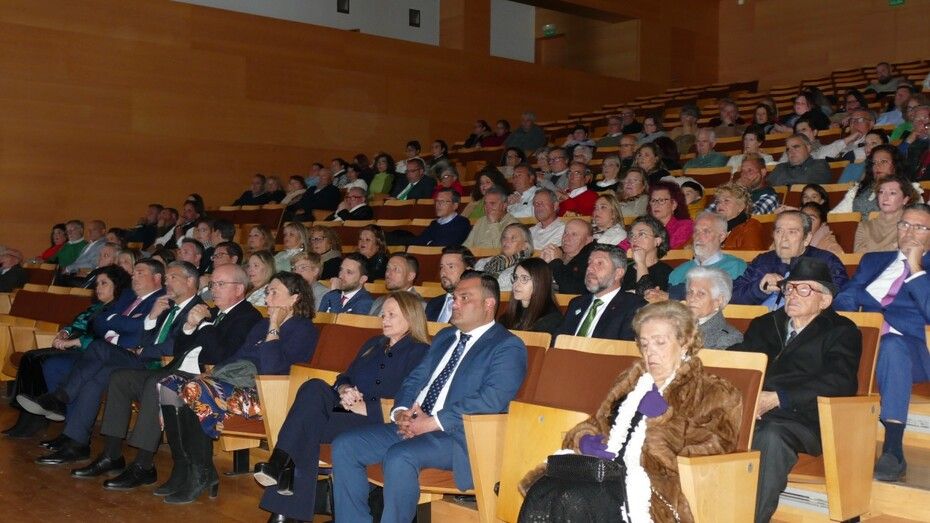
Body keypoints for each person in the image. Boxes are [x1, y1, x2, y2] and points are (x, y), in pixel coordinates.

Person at [519, 300, 742, 522]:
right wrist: (584, 439)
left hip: (656, 491)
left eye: (660, 342)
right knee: (543, 490)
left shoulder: (714, 392)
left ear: (684, 342)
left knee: (573, 498)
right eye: (644, 344)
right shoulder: (631, 381)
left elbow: (715, 449)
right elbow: (598, 422)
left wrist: (664, 420)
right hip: (606, 473)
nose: (650, 352)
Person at [331, 272, 527, 523]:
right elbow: (415, 378)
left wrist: (433, 422)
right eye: (454, 298)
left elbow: (492, 399)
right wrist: (400, 411)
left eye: (464, 298)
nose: (455, 303)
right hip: (414, 424)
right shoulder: (445, 337)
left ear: (488, 304)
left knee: (400, 456)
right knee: (346, 446)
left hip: (457, 436)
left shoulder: (507, 346)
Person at [256, 291, 430, 522]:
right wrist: (345, 390)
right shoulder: (373, 344)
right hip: (345, 410)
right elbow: (344, 377)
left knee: (304, 429)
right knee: (314, 387)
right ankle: (281, 465)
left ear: (410, 317)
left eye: (391, 315)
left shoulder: (422, 352)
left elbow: (414, 398)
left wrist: (367, 407)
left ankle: (282, 477)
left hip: (378, 421)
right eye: (383, 314)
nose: (384, 319)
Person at [158, 271, 319, 503]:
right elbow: (236, 357)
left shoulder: (303, 329)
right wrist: (211, 373)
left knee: (195, 390)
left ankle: (200, 474)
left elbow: (272, 368)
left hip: (264, 394)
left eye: (274, 292)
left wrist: (274, 326)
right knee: (173, 383)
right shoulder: (261, 325)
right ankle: (186, 467)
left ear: (295, 298)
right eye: (267, 292)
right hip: (235, 384)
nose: (267, 298)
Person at [734, 258, 860, 523]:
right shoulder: (765, 324)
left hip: (805, 419)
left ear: (824, 300)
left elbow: (840, 382)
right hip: (754, 411)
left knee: (770, 436)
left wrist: (779, 398)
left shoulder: (841, 331)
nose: (792, 294)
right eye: (789, 288)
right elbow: (740, 361)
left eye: (804, 289)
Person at [22, 259, 166, 463]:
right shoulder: (127, 295)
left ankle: (60, 397)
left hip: (140, 360)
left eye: (140, 272)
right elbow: (99, 322)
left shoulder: (162, 299)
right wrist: (125, 324)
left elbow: (140, 334)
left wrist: (116, 324)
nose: (134, 276)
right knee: (92, 380)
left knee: (99, 347)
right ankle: (76, 442)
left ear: (157, 277)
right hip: (114, 355)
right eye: (133, 273)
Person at [833, 204, 930, 482]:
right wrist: (860, 320)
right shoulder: (874, 260)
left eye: (919, 227)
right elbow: (846, 296)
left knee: (891, 345)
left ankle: (893, 448)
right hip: (866, 340)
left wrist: (916, 268)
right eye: (904, 225)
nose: (909, 232)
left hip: (914, 350)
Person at [2, 265, 131, 438]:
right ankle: (27, 418)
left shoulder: (118, 310)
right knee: (29, 357)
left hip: (88, 352)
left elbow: (105, 339)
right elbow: (76, 324)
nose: (98, 288)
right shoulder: (96, 307)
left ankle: (38, 418)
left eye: (104, 283)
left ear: (118, 285)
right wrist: (64, 332)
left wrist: (71, 342)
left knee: (39, 360)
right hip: (74, 346)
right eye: (97, 284)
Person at [731, 211, 849, 307]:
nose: (784, 238)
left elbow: (841, 300)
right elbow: (733, 296)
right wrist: (759, 289)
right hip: (764, 324)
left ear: (807, 238)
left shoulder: (827, 261)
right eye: (779, 231)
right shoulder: (763, 261)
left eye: (792, 232)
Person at [556, 244, 646, 341]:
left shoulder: (634, 307)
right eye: (589, 262)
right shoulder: (576, 303)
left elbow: (625, 348)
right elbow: (557, 342)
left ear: (618, 273)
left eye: (599, 263)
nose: (590, 268)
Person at [663, 212, 748, 300]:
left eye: (706, 231)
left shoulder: (735, 266)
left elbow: (722, 298)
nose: (699, 237)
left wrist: (674, 295)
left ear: (722, 237)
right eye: (696, 231)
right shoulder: (678, 272)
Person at [854, 176, 920, 253]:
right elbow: (860, 257)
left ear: (905, 199)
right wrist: (895, 245)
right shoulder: (864, 226)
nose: (885, 198)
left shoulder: (912, 226)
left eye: (892, 193)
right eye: (881, 192)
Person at [499, 258, 563, 334]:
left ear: (540, 283)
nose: (516, 284)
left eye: (524, 278)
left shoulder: (551, 320)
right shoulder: (507, 317)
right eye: (515, 277)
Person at [685, 267, 743, 349]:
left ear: (718, 301)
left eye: (701, 293)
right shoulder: (674, 327)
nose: (692, 298)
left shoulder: (729, 338)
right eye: (690, 292)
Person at [542, 219, 596, 295]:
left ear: (588, 240)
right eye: (565, 233)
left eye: (574, 234)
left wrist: (556, 262)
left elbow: (571, 290)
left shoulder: (590, 261)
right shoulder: (555, 251)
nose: (566, 238)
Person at [622, 215, 673, 296]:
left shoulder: (667, 273)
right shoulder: (622, 269)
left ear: (657, 241)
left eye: (642, 234)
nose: (634, 239)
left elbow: (648, 299)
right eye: (632, 236)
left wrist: (641, 263)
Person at [475, 223, 533, 291]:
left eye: (513, 238)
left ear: (525, 246)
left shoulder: (526, 268)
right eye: (504, 237)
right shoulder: (483, 262)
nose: (506, 241)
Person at [424, 246, 475, 323]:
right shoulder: (433, 303)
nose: (443, 272)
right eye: (441, 267)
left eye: (451, 267)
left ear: (468, 271)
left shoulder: (476, 305)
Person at [637, 180, 693, 250]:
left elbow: (669, 251)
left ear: (674, 205)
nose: (656, 205)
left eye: (661, 200)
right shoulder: (643, 225)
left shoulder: (685, 226)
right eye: (653, 200)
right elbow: (626, 246)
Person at [715, 182, 768, 251]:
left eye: (726, 201)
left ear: (741, 206)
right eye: (718, 202)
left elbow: (751, 254)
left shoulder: (750, 226)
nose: (720, 205)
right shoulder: (713, 228)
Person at [767, 134, 831, 186]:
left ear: (808, 148)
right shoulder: (780, 168)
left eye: (796, 147)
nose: (791, 151)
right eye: (788, 149)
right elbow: (767, 187)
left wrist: (784, 184)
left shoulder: (820, 164)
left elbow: (811, 185)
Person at [899, 105, 930, 180]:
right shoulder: (906, 137)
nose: (921, 122)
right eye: (917, 119)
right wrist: (907, 142)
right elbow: (897, 160)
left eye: (925, 118)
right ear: (912, 123)